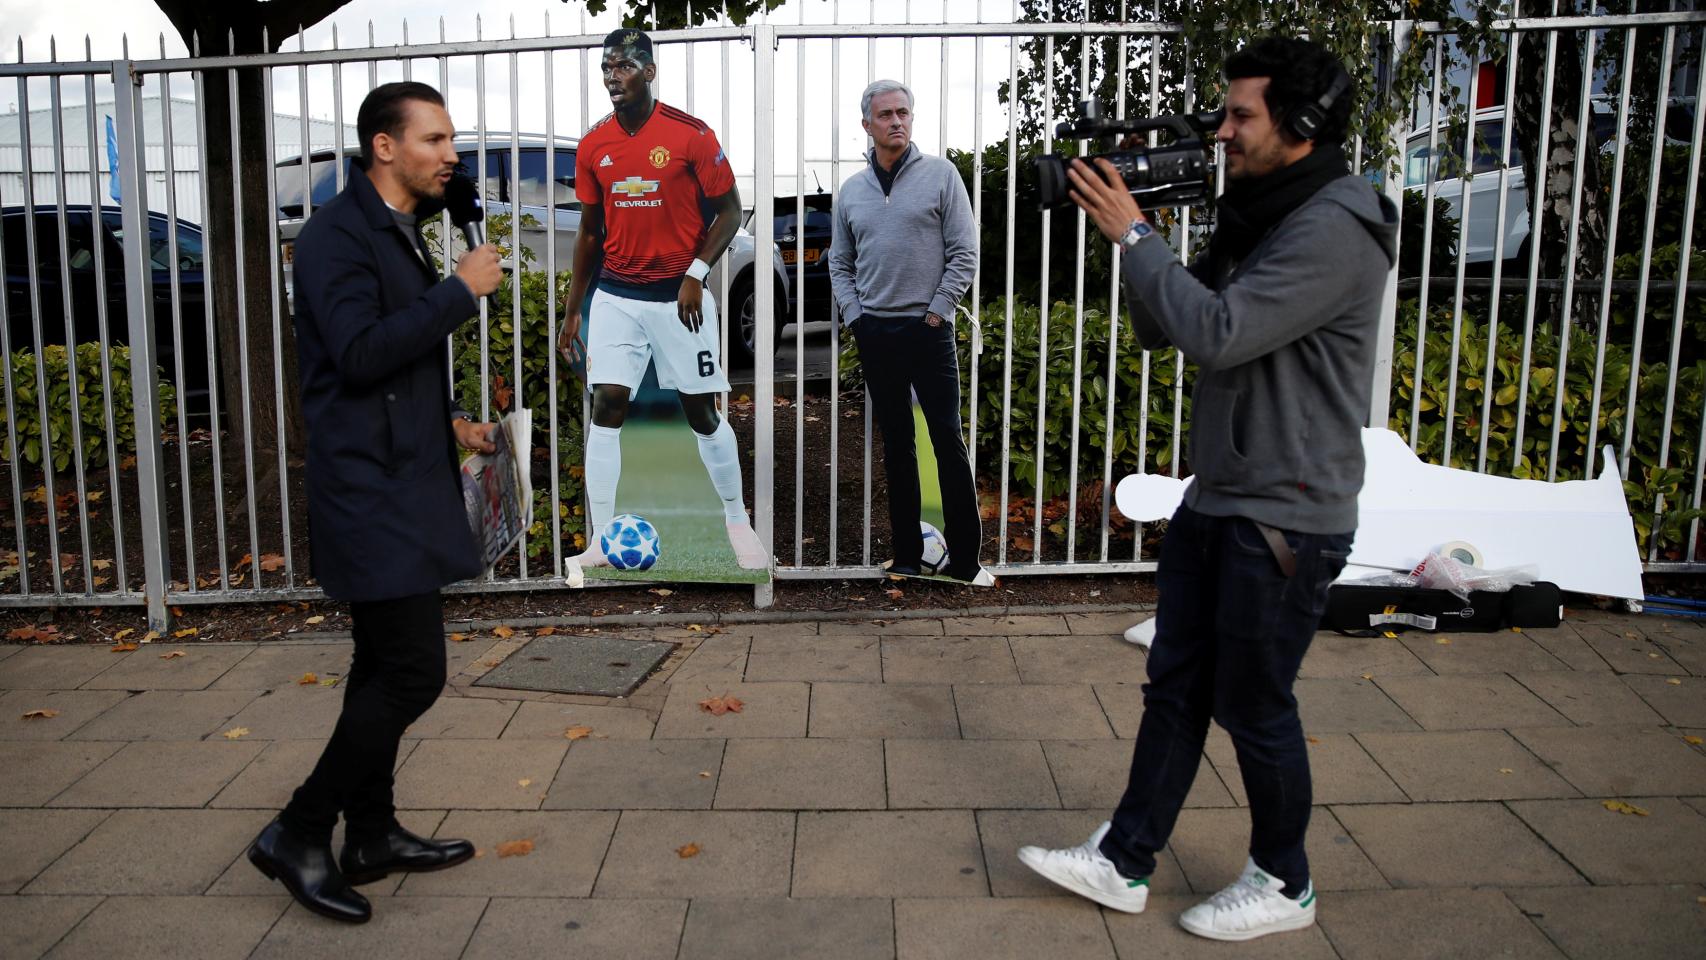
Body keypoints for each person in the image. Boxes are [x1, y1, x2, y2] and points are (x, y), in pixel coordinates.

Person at [1017, 38, 1397, 942]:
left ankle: (1285, 881)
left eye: (1240, 116)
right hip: (1224, 491)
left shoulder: (1336, 227)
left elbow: (1223, 333)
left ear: (1301, 127)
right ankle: (1123, 861)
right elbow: (1169, 325)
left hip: (1287, 511)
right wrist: (1145, 239)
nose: (1219, 130)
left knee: (1255, 703)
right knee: (1176, 685)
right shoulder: (1263, 211)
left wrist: (1137, 236)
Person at [246, 81, 504, 924]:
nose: (451, 155)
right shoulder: (333, 236)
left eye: (451, 140)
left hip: (403, 473)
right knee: (413, 671)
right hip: (369, 489)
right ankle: (300, 827)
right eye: (434, 140)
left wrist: (450, 420)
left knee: (378, 665)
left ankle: (373, 833)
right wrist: (460, 291)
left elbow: (389, 367)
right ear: (384, 148)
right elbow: (356, 353)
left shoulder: (392, 229)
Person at [558, 28, 766, 572]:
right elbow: (587, 233)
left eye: (624, 66)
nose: (612, 76)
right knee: (607, 406)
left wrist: (696, 272)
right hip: (617, 297)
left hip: (679, 297)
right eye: (606, 67)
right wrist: (574, 308)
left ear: (649, 72)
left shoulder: (690, 135)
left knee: (701, 412)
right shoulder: (594, 144)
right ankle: (602, 540)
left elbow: (729, 210)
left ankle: (736, 522)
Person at [829, 79, 991, 585]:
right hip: (877, 332)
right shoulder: (851, 192)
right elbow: (839, 262)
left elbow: (965, 252)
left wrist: (939, 312)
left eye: (903, 112)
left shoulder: (941, 176)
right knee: (898, 445)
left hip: (930, 330)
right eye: (885, 115)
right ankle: (905, 556)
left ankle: (965, 561)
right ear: (867, 125)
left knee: (947, 440)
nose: (896, 121)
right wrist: (856, 318)